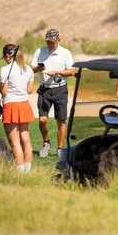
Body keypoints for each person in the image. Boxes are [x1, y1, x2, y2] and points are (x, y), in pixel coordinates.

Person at [31, 29, 75, 158]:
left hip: (60, 89)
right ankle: (46, 142)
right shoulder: (40, 51)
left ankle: (60, 148)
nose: (50, 45)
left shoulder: (65, 53)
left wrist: (56, 72)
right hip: (44, 89)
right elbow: (32, 68)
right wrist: (39, 68)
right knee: (43, 120)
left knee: (61, 121)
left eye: (52, 42)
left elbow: (72, 71)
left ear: (58, 40)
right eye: (48, 42)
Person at [0, 44, 35, 172]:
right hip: (24, 105)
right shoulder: (29, 69)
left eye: (5, 57)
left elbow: (4, 92)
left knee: (15, 142)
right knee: (26, 140)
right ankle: (27, 171)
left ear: (8, 55)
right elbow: (30, 90)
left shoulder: (5, 70)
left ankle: (19, 173)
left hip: (11, 106)